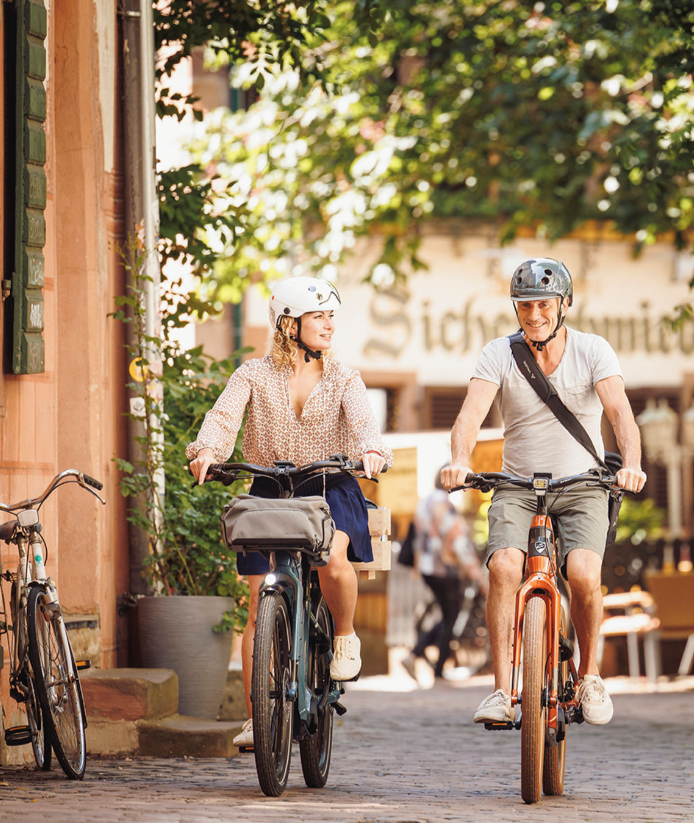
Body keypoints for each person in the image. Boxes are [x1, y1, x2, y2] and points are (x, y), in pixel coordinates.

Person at [186, 276, 394, 748]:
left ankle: (343, 635)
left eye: (331, 315)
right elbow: (222, 419)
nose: (328, 324)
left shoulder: (344, 377)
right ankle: (257, 720)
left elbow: (364, 424)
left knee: (334, 561)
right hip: (270, 492)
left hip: (329, 490)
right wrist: (207, 452)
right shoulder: (252, 375)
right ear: (288, 323)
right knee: (259, 606)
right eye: (318, 315)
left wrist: (371, 452)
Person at [439, 257, 647, 727]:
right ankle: (501, 690)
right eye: (525, 306)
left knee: (583, 573)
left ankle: (590, 676)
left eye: (543, 305)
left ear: (564, 304)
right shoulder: (498, 353)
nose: (534, 315)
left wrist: (630, 465)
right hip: (516, 485)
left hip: (584, 486)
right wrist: (460, 460)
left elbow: (621, 415)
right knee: (504, 568)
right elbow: (470, 415)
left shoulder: (594, 351)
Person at [406, 468, 484, 681]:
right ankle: (431, 664)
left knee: (446, 615)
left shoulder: (424, 502)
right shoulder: (445, 506)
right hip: (443, 569)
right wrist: (477, 574)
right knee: (451, 617)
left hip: (425, 567)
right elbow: (458, 544)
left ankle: (420, 655)